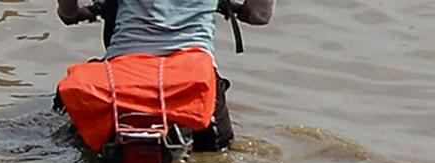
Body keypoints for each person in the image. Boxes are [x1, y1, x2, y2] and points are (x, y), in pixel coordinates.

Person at [55, 0, 276, 151]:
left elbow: (69, 11)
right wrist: (234, 8)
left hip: (124, 67)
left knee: (78, 141)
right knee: (218, 152)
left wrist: (75, 13)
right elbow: (259, 15)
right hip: (193, 72)